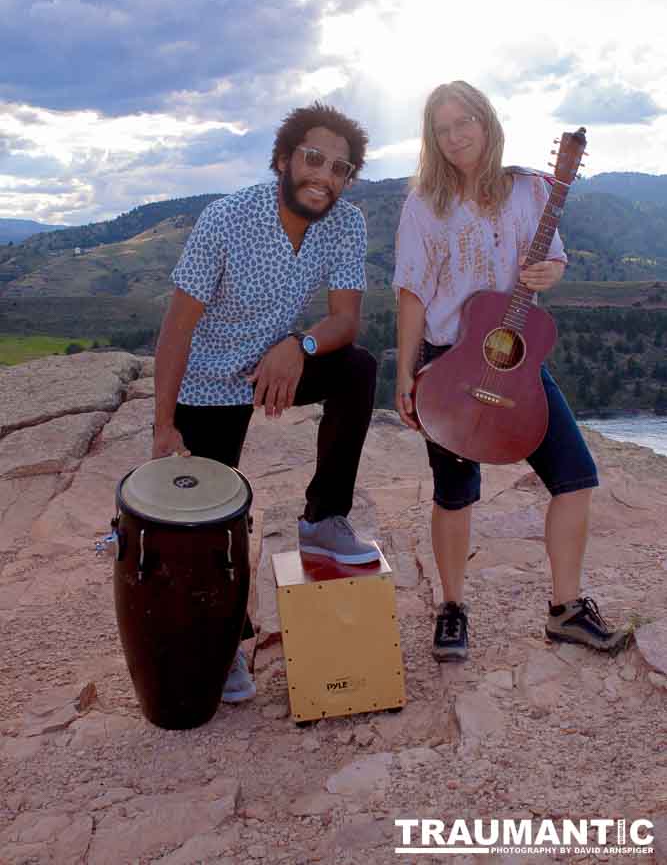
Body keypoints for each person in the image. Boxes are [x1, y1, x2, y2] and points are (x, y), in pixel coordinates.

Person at [152, 102, 380, 703]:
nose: (324, 175)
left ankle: (324, 520)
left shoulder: (347, 223)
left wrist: (297, 345)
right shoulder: (226, 220)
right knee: (214, 519)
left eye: (340, 167)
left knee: (356, 369)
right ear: (282, 159)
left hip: (277, 365)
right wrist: (163, 425)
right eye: (313, 158)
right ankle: (224, 643)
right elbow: (176, 329)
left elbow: (345, 319)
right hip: (208, 380)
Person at [393, 80, 626, 663]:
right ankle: (451, 609)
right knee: (454, 494)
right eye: (442, 129)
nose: (455, 136)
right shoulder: (425, 203)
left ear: (486, 122)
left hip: (514, 359)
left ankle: (566, 611)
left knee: (575, 477)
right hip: (449, 361)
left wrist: (549, 273)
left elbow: (553, 260)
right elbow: (412, 295)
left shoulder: (528, 190)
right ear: (432, 138)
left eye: (463, 121)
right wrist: (405, 375)